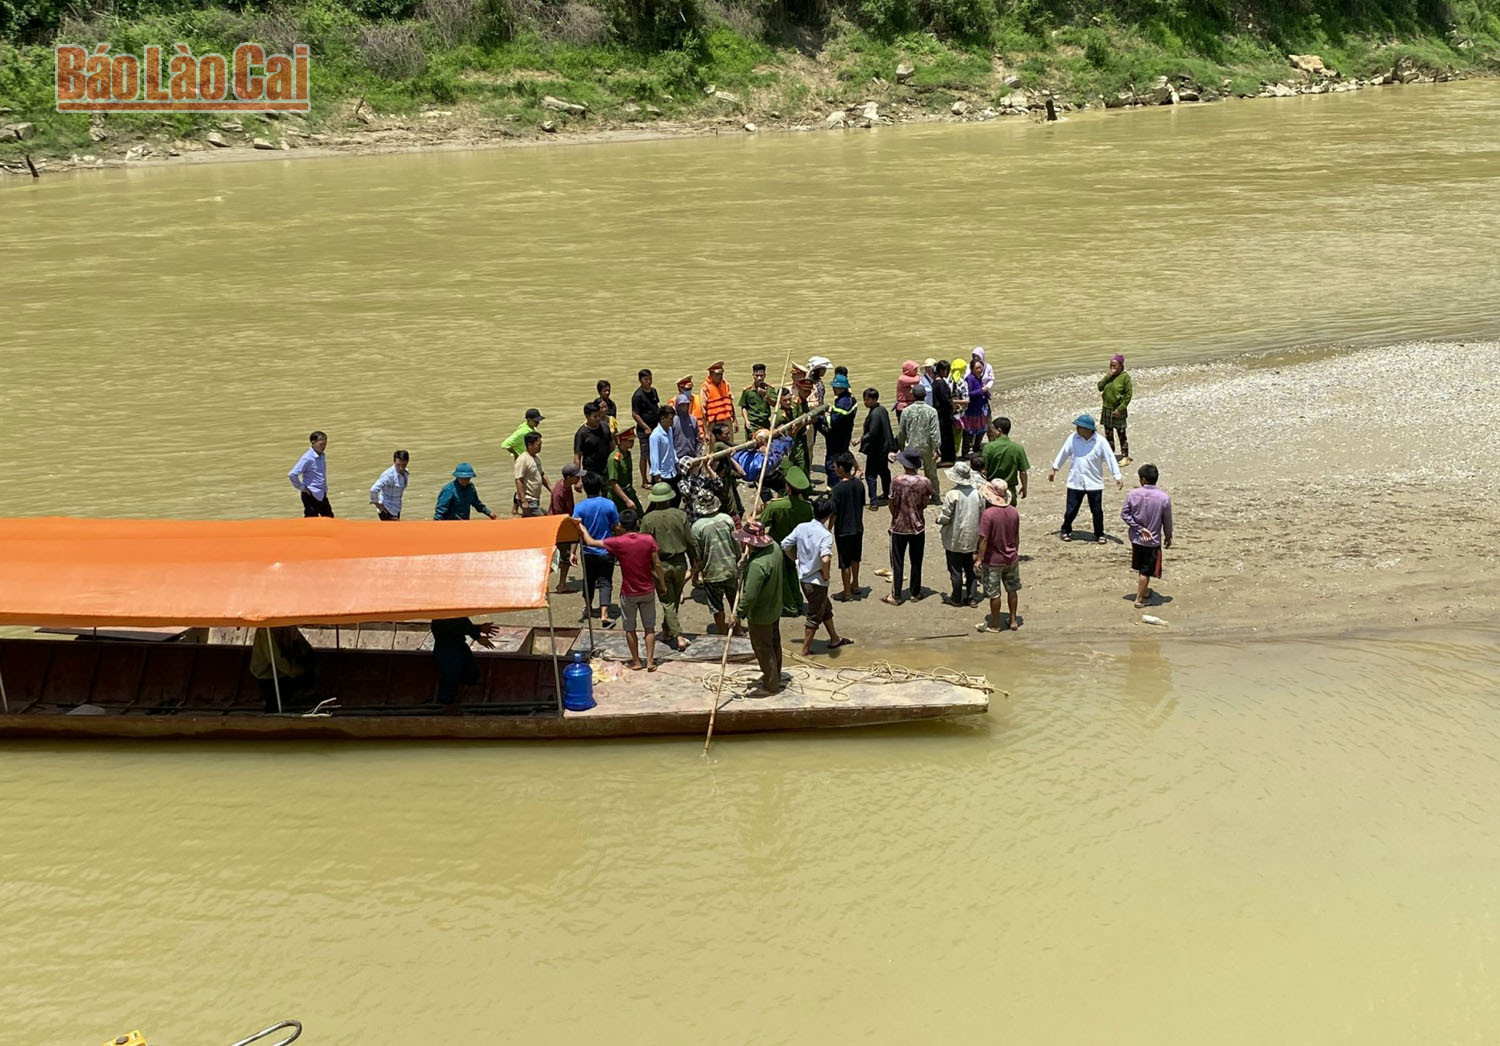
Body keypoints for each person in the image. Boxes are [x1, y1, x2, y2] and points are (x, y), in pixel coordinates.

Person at [579, 507, 665, 671]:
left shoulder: (617, 542)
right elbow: (657, 564)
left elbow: (591, 542)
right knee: (649, 627)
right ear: (637, 523)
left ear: (620, 525)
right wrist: (662, 584)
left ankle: (636, 661)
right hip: (647, 589)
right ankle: (650, 662)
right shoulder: (648, 540)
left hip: (628, 592)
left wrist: (582, 527)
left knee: (629, 628)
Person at [781, 495, 849, 656]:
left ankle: (835, 639)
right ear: (829, 515)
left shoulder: (801, 527)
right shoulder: (825, 535)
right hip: (817, 582)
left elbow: (785, 544)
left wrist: (796, 559)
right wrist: (826, 575)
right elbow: (826, 559)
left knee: (825, 608)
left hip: (804, 578)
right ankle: (805, 650)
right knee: (814, 616)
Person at [1048, 413, 1123, 543]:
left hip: (1094, 482)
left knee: (1097, 511)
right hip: (1075, 481)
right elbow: (1063, 453)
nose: (1077, 429)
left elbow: (1110, 458)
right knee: (1071, 510)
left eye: (1079, 427)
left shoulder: (1100, 441)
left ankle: (1099, 533)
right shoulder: (1072, 438)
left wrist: (1117, 476)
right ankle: (1065, 530)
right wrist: (1054, 469)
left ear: (1088, 429)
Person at [640, 482, 693, 652]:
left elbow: (643, 547)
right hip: (680, 563)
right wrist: (695, 563)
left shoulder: (648, 520)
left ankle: (678, 636)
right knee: (673, 599)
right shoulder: (681, 515)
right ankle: (667, 631)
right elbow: (690, 542)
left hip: (660, 566)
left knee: (668, 601)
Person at [735, 521, 785, 695]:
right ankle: (775, 675)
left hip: (761, 613)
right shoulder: (775, 548)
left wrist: (737, 614)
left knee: (763, 648)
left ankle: (771, 685)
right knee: (774, 643)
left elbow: (749, 596)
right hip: (775, 606)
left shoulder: (758, 566)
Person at [759, 464, 814, 618]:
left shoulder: (776, 505)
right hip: (796, 547)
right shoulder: (807, 508)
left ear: (787, 486)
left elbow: (762, 524)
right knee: (792, 574)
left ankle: (790, 607)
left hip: (778, 546)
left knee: (782, 577)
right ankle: (798, 602)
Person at [883, 448, 935, 605]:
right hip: (918, 526)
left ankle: (896, 595)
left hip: (899, 526)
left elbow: (891, 502)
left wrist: (896, 515)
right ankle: (915, 592)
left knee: (897, 562)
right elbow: (925, 502)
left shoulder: (896, 481)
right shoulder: (925, 481)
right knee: (916, 561)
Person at [572, 471, 621, 628]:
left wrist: (572, 552)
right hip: (606, 549)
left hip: (587, 551)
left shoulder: (579, 507)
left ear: (585, 488)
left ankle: (588, 608)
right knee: (605, 582)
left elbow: (577, 531)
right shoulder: (609, 505)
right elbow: (616, 526)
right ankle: (604, 614)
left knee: (589, 581)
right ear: (600, 487)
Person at [1120, 463, 1173, 609]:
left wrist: (1138, 528)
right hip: (1152, 541)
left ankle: (1143, 590)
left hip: (1136, 539)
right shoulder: (1163, 498)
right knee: (1146, 571)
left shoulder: (1132, 494)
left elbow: (1124, 514)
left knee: (1142, 568)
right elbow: (1167, 520)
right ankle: (1139, 599)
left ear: (1143, 479)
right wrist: (1168, 535)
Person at [690, 488, 740, 636]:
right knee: (734, 600)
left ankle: (722, 633)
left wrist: (697, 571)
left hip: (711, 571)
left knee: (716, 606)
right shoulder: (727, 519)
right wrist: (736, 559)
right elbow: (736, 545)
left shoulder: (697, 527)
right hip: (730, 567)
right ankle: (738, 630)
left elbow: (697, 554)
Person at [974, 479, 1021, 632]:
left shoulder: (988, 514)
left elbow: (984, 539)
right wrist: (1015, 551)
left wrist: (979, 559)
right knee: (1012, 589)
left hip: (993, 560)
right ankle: (1013, 620)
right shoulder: (1013, 512)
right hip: (1011, 557)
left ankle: (995, 624)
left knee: (994, 593)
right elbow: (1016, 536)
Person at [936, 459, 983, 606]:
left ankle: (956, 598)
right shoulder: (977, 494)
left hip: (954, 538)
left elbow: (945, 516)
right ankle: (972, 597)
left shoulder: (952, 494)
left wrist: (938, 520)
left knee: (955, 570)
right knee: (970, 569)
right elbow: (982, 515)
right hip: (972, 537)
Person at [431, 617, 499, 704]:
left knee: (471, 672)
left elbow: (462, 621)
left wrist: (477, 635)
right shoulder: (443, 613)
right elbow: (454, 626)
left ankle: (456, 701)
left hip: (459, 644)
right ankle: (446, 703)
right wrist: (479, 630)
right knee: (451, 675)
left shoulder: (457, 613)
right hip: (446, 646)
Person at [249, 626, 316, 712]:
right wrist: (293, 671)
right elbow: (275, 658)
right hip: (266, 674)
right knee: (274, 703)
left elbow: (299, 641)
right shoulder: (265, 631)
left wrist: (307, 654)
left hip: (282, 670)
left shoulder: (287, 626)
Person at [829, 452, 865, 601]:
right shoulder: (859, 485)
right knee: (855, 558)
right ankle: (855, 584)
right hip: (858, 527)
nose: (834, 469)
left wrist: (828, 528)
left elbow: (834, 513)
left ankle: (847, 592)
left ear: (842, 468)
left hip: (843, 530)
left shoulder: (837, 489)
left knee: (844, 563)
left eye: (836, 467)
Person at [898, 384, 943, 490]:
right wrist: (936, 449)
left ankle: (913, 494)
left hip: (911, 447)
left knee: (911, 473)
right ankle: (935, 495)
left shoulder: (906, 411)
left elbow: (901, 432)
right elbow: (935, 432)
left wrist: (901, 446)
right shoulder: (932, 411)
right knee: (931, 473)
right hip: (927, 447)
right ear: (925, 395)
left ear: (913, 395)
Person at [860, 387, 896, 507]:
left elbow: (873, 432)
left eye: (868, 400)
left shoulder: (875, 413)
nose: (865, 402)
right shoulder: (882, 410)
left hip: (876, 449)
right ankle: (887, 494)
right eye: (864, 399)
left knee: (870, 475)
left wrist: (860, 439)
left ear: (875, 399)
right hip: (884, 448)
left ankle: (873, 502)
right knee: (884, 471)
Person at [981, 416, 1029, 505]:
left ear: (999, 430)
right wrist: (1024, 487)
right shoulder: (1018, 448)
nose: (991, 431)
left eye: (993, 429)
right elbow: (1023, 472)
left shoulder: (989, 447)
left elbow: (983, 470)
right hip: (1009, 492)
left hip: (992, 493)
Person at [549, 463, 582, 592]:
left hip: (566, 523)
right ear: (569, 477)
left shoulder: (567, 486)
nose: (579, 479)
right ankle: (560, 585)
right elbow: (558, 515)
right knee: (565, 556)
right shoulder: (559, 492)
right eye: (576, 476)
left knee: (562, 557)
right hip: (560, 527)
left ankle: (561, 583)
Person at [288, 430, 333, 517]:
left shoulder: (322, 455)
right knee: (311, 521)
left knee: (330, 519)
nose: (324, 447)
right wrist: (301, 487)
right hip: (310, 494)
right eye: (321, 444)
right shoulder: (307, 458)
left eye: (325, 444)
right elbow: (292, 474)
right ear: (313, 443)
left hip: (322, 493)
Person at [823, 373, 857, 480]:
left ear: (841, 388)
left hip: (837, 437)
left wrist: (820, 418)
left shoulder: (842, 403)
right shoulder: (851, 399)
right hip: (845, 434)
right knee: (842, 456)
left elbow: (832, 421)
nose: (833, 389)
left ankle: (833, 486)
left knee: (832, 464)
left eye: (835, 387)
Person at [1099, 354, 1133, 463]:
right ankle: (1110, 454)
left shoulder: (1125, 377)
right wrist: (1108, 376)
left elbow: (1128, 395)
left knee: (1121, 434)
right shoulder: (1109, 376)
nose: (1112, 367)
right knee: (1108, 435)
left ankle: (1125, 457)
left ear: (1121, 365)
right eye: (1111, 365)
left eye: (1115, 365)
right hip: (1107, 409)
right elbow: (1100, 387)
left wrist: (1120, 409)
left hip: (1118, 410)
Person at [631, 369, 660, 486]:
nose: (648, 381)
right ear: (640, 380)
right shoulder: (637, 396)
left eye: (650, 379)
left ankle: (655, 477)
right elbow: (635, 414)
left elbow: (656, 407)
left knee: (655, 454)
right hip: (644, 431)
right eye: (646, 379)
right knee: (645, 455)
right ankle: (644, 480)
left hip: (656, 428)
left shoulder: (653, 391)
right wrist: (645, 427)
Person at [513, 431, 550, 517]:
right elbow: (518, 480)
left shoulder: (536, 457)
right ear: (529, 445)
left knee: (544, 516)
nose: (540, 446)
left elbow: (542, 474)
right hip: (528, 500)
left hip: (535, 499)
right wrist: (523, 501)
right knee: (543, 519)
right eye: (538, 444)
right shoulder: (522, 459)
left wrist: (552, 489)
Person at [607, 426, 643, 515]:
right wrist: (627, 500)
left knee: (640, 515)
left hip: (629, 492)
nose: (632, 443)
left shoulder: (627, 454)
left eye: (633, 440)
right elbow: (613, 483)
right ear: (622, 441)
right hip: (618, 497)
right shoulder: (614, 459)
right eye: (630, 440)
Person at [961, 356, 992, 456]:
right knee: (969, 432)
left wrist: (987, 394)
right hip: (972, 410)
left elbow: (983, 389)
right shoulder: (970, 379)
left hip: (981, 409)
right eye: (977, 368)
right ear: (972, 369)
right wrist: (981, 391)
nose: (979, 370)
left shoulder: (979, 378)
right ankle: (965, 452)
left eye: (980, 368)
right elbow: (969, 394)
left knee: (982, 429)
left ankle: (977, 447)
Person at [574, 400, 613, 477]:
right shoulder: (581, 434)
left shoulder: (605, 426)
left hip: (607, 468)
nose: (598, 418)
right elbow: (577, 457)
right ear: (587, 416)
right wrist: (577, 477)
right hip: (591, 472)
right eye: (595, 416)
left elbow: (612, 445)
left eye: (599, 415)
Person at [368, 449, 409, 520]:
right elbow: (373, 489)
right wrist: (377, 505)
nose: (401, 468)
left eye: (404, 465)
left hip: (396, 508)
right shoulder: (389, 475)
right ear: (394, 462)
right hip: (386, 509)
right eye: (398, 464)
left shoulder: (406, 473)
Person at [738, 363, 775, 441]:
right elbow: (744, 407)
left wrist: (766, 396)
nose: (759, 378)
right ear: (753, 375)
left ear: (765, 375)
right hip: (752, 424)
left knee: (766, 444)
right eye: (757, 375)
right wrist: (746, 420)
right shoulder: (747, 391)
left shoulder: (770, 389)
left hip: (765, 423)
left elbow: (774, 404)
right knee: (752, 445)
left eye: (761, 376)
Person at [931, 359, 957, 465]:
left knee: (945, 436)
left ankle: (947, 458)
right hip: (944, 415)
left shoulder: (937, 382)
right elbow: (945, 400)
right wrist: (953, 405)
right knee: (946, 436)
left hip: (941, 414)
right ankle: (948, 459)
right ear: (942, 370)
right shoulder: (940, 383)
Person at [701, 361, 736, 437]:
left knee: (730, 443)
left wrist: (735, 420)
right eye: (717, 374)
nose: (720, 376)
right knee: (713, 443)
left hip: (727, 421)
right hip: (713, 423)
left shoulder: (725, 384)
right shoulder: (705, 388)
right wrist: (706, 431)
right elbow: (703, 412)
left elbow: (730, 403)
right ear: (711, 374)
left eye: (721, 374)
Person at [648, 407, 677, 487]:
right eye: (670, 419)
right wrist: (656, 474)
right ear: (662, 418)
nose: (672, 421)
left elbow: (671, 448)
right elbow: (654, 456)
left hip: (672, 472)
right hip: (662, 475)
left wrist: (676, 461)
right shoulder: (655, 436)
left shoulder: (670, 430)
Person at [672, 391, 702, 462]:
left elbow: (698, 439)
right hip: (678, 456)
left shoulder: (693, 420)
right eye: (682, 405)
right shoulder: (673, 421)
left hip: (692, 456)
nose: (684, 407)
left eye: (686, 405)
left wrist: (698, 455)